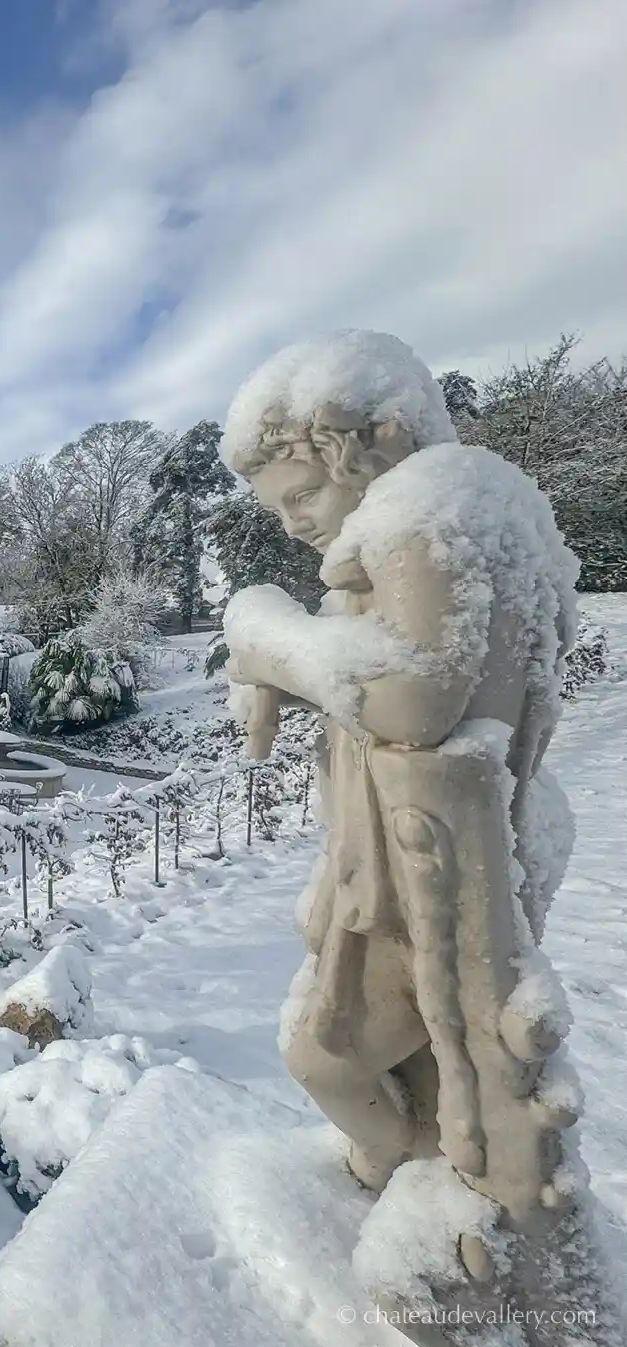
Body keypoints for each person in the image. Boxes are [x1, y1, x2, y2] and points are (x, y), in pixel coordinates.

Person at [219, 331, 582, 1239]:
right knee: (407, 1059)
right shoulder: (483, 514)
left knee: (327, 1055)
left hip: (433, 869)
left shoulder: (425, 506)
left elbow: (411, 699)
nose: (294, 523)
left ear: (367, 447)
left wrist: (264, 637)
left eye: (303, 494)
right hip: (438, 848)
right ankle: (422, 1179)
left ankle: (403, 1183)